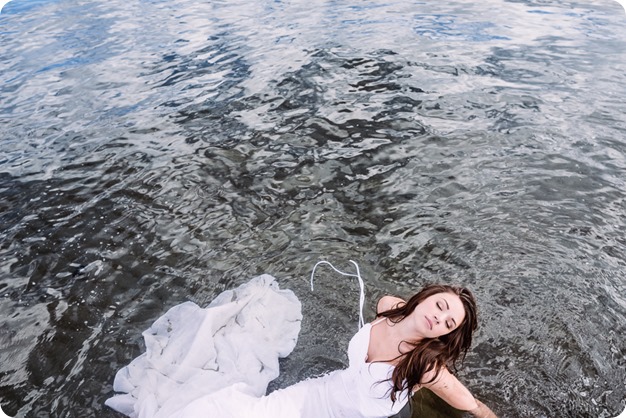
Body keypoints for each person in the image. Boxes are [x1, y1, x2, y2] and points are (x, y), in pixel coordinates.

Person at [106, 268, 497, 418]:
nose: (439, 318)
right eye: (441, 306)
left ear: (445, 335)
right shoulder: (388, 307)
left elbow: (472, 405)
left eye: (448, 323)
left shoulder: (427, 366)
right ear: (427, 296)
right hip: (317, 395)